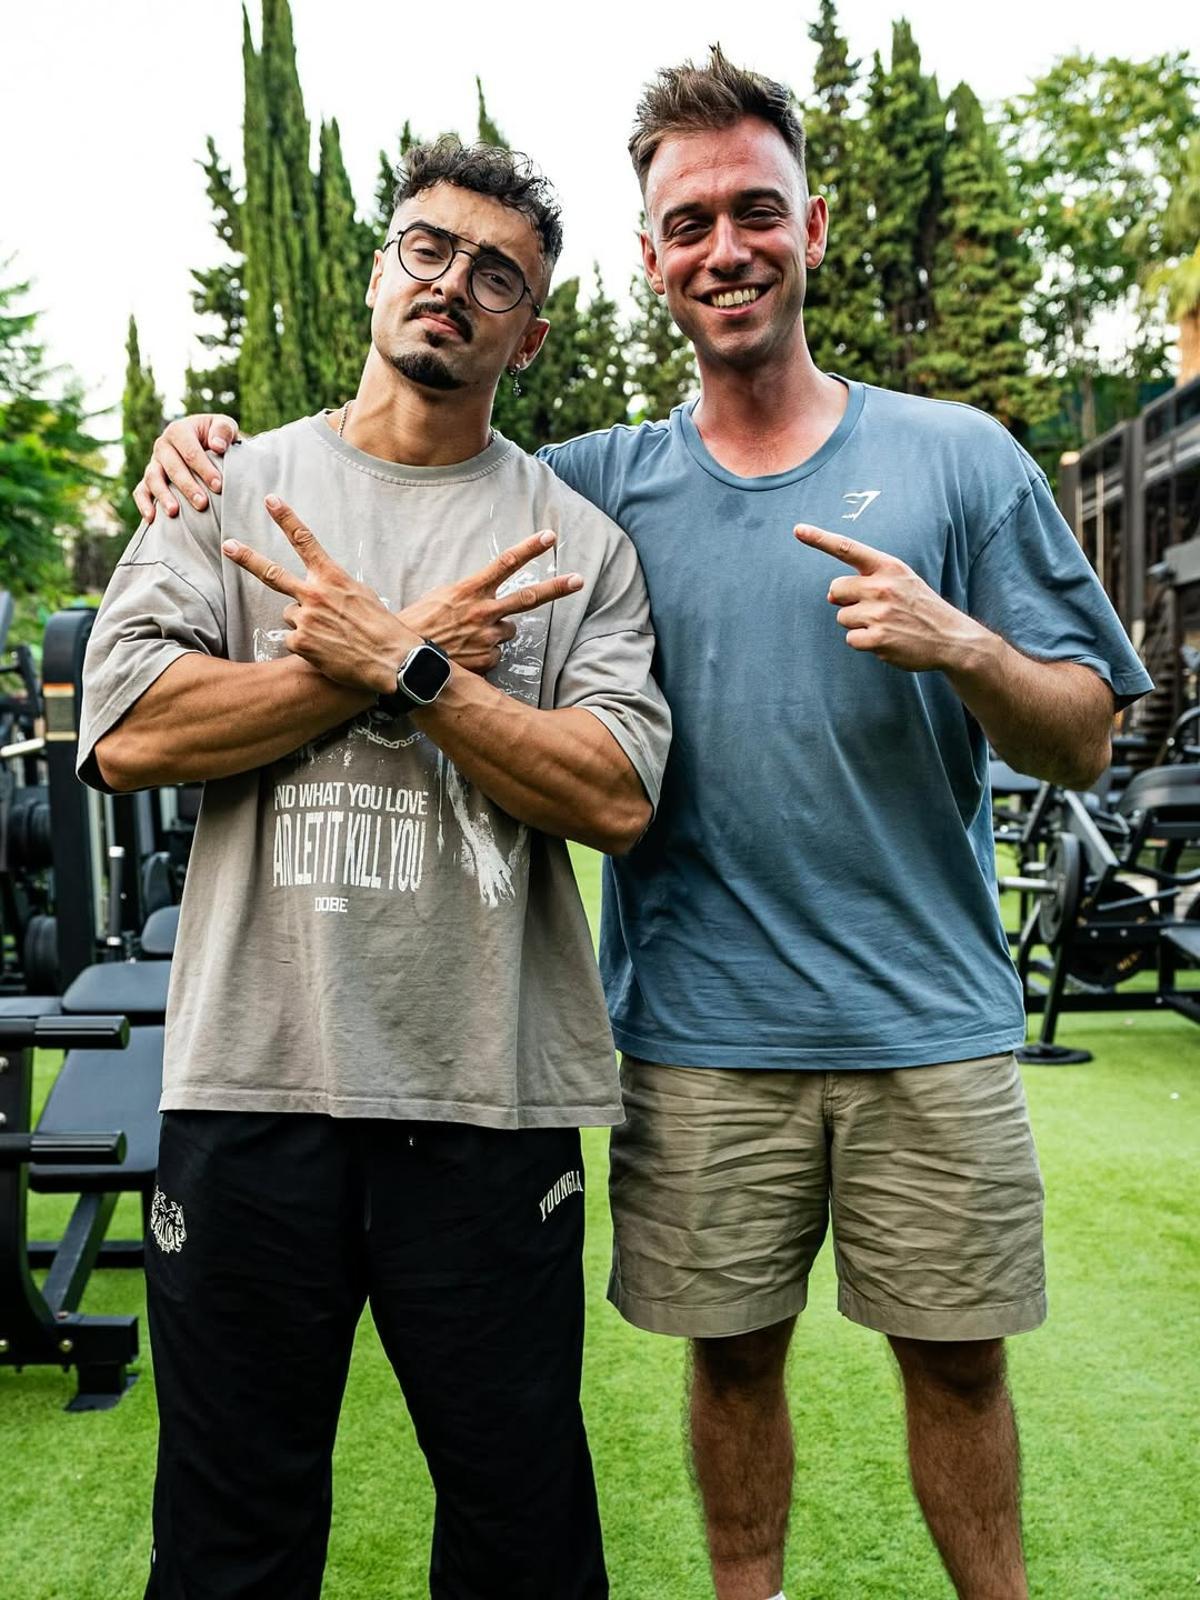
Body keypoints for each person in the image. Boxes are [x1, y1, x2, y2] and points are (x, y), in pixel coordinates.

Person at [138, 50, 1153, 1600]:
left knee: (954, 1371)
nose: (726, 247)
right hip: (689, 1032)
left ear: (814, 228)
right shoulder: (586, 489)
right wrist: (205, 453)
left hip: (915, 1023)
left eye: (757, 211)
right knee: (724, 1367)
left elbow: (1078, 737)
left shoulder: (945, 459)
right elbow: (392, 491)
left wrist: (966, 647)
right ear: (651, 260)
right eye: (690, 223)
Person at [84, 136, 670, 1600]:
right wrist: (359, 666)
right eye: (429, 248)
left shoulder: (577, 545)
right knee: (228, 1543)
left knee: (524, 1541)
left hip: (485, 1101)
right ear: (376, 270)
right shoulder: (227, 489)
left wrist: (410, 670)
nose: (454, 284)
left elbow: (614, 794)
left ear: (531, 334)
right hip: (251, 1084)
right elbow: (129, 730)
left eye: (498, 275)